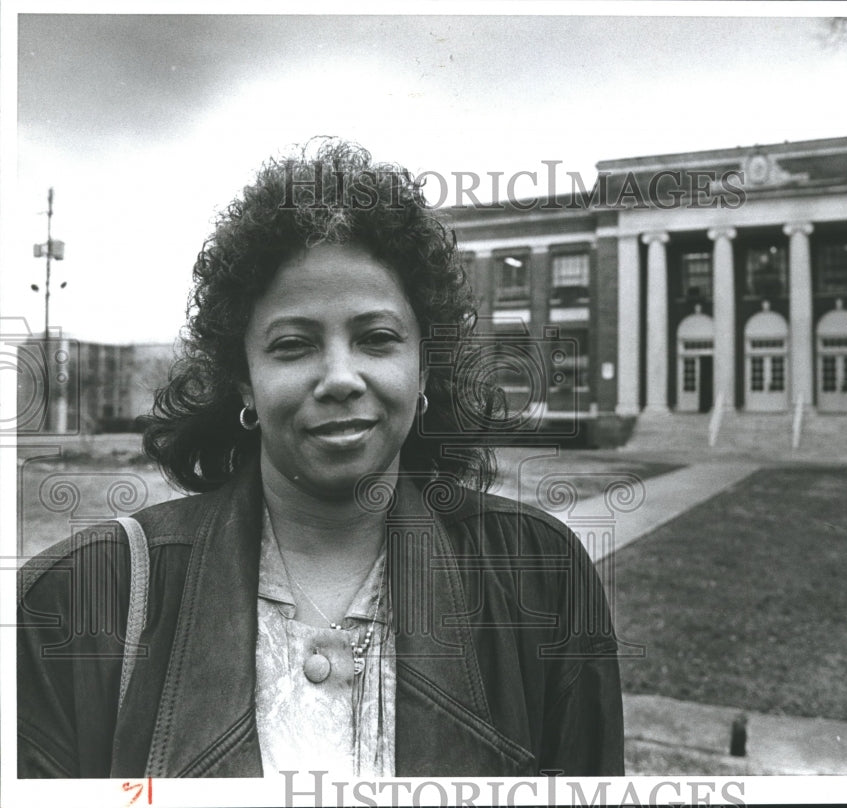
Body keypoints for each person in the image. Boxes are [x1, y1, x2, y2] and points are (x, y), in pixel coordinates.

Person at [17, 139, 624, 778]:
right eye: (293, 345)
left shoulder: (545, 579)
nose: (340, 376)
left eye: (377, 338)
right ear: (244, 382)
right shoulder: (76, 600)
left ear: (425, 368)